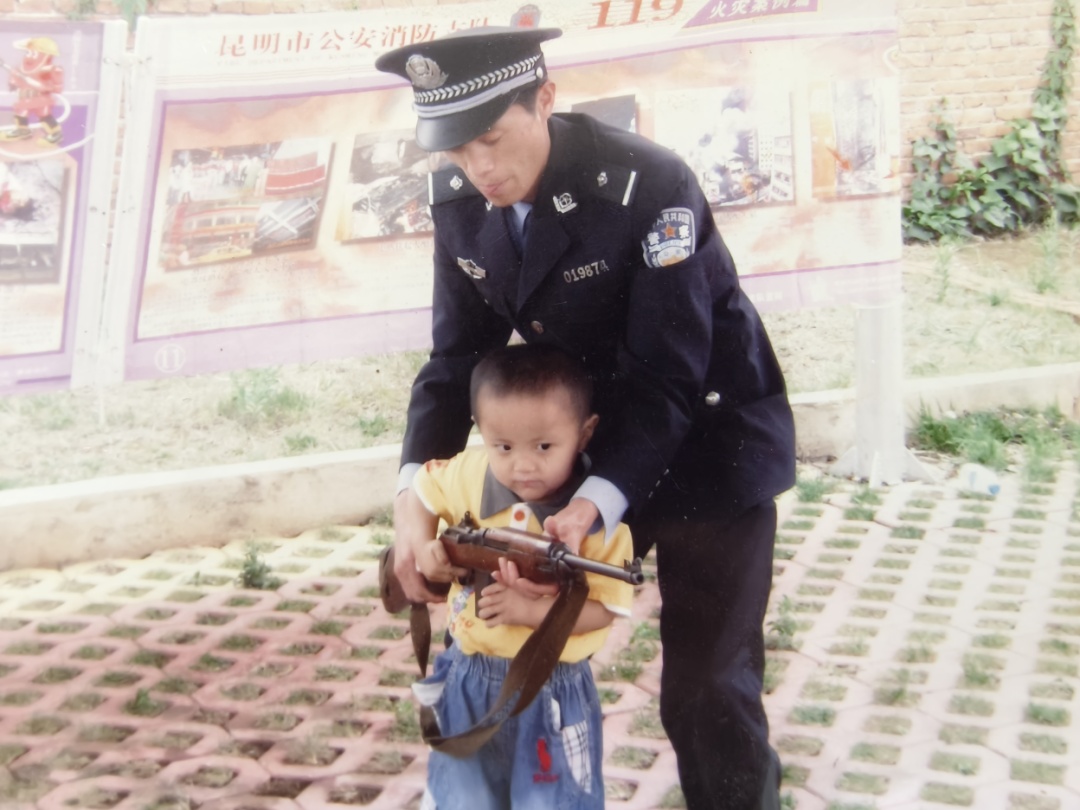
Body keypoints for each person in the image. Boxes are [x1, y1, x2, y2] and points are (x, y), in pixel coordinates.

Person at [376, 24, 796, 810]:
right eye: (457, 151)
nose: (481, 168)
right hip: (581, 442)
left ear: (545, 98)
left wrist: (588, 506)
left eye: (494, 140)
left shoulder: (646, 185)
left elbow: (668, 376)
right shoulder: (461, 200)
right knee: (527, 637)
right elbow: (455, 359)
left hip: (709, 441)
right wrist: (410, 498)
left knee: (707, 686)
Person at [399, 342, 634, 810]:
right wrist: (426, 546)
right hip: (467, 674)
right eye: (502, 446)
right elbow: (423, 488)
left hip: (551, 686)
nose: (523, 465)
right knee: (462, 798)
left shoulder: (592, 522)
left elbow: (607, 608)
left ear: (585, 434)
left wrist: (534, 610)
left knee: (552, 802)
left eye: (544, 446)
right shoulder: (468, 472)